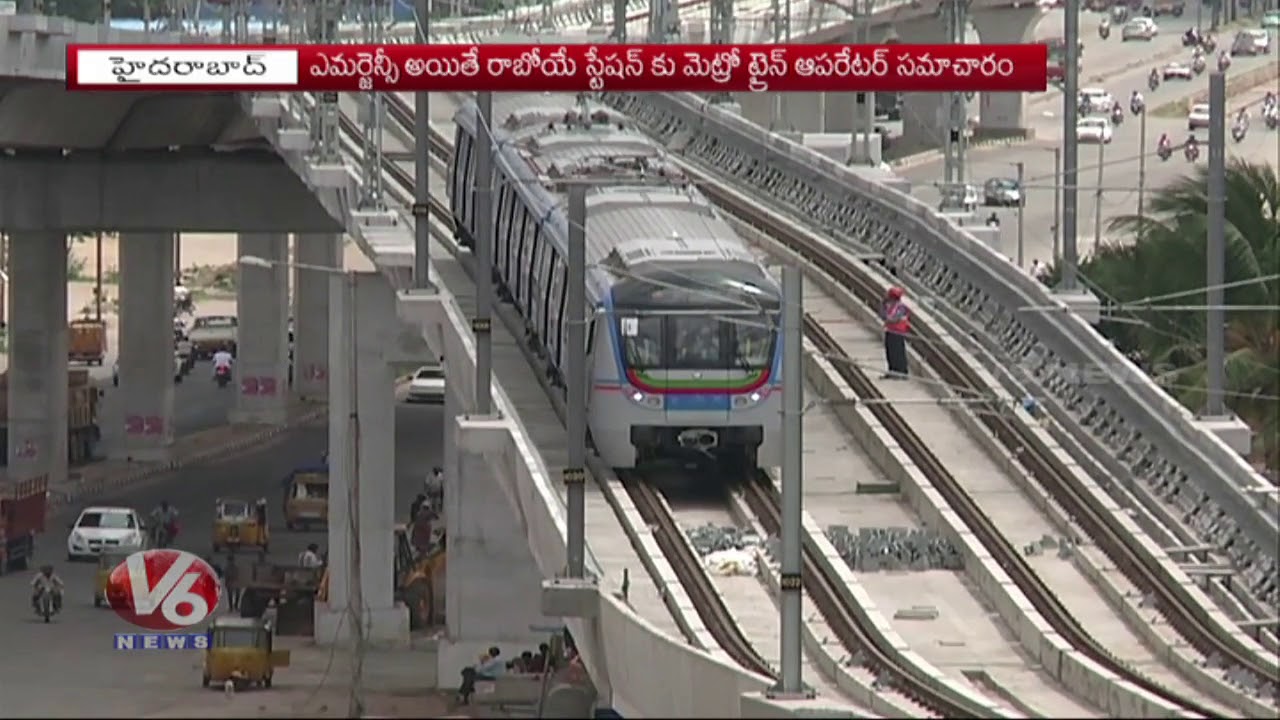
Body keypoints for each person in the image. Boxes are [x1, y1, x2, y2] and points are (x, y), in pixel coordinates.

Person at [881, 286, 911, 380]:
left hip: (898, 332)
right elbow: (883, 314)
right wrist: (883, 303)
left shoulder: (901, 307)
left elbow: (894, 319)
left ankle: (902, 372)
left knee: (898, 352)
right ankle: (892, 370)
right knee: (890, 352)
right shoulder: (889, 305)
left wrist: (888, 319)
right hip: (890, 331)